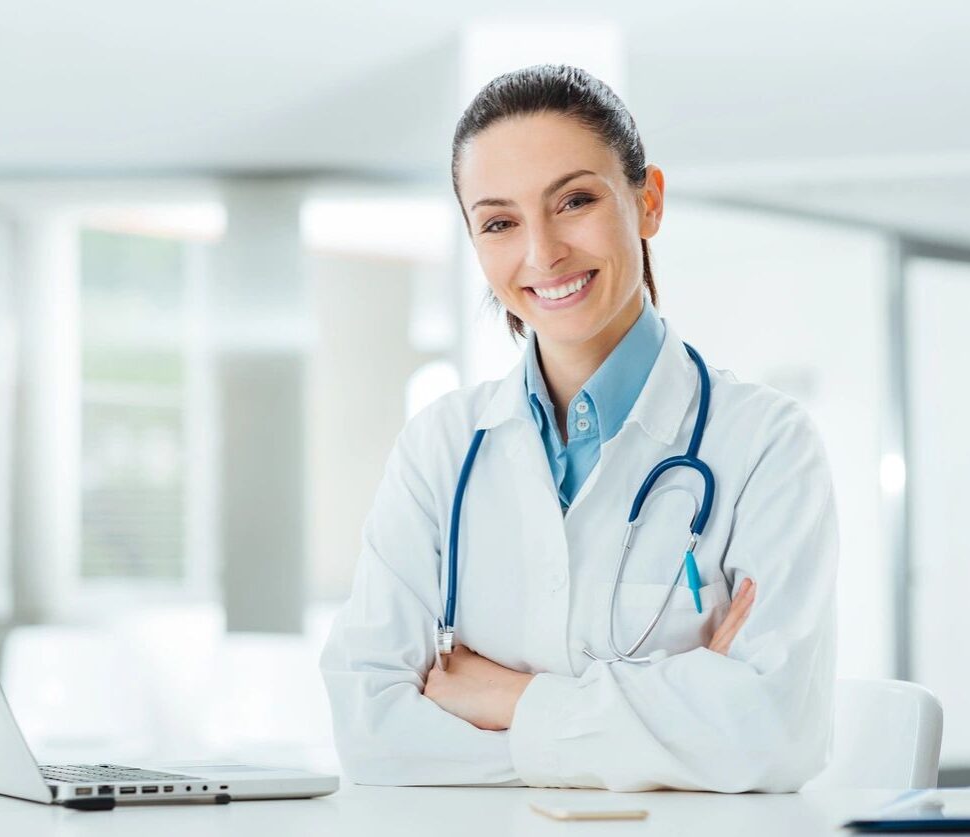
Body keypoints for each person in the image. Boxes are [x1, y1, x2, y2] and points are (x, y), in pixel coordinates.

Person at [319, 64, 837, 792]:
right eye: (500, 221)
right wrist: (675, 729)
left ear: (647, 200)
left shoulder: (767, 445)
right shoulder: (439, 451)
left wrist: (508, 697)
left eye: (574, 201)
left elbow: (774, 734)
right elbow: (372, 733)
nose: (542, 252)